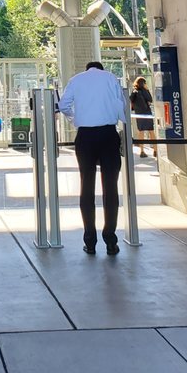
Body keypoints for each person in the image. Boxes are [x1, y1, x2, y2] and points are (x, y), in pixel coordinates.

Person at [58, 61, 127, 256]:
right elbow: (120, 103)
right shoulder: (111, 78)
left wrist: (75, 119)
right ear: (101, 68)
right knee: (110, 188)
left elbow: (63, 105)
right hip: (108, 134)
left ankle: (89, 240)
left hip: (85, 136)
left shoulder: (75, 80)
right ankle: (110, 240)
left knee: (86, 185)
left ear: (86, 68)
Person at [129, 76, 155, 157]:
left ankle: (142, 151)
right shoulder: (144, 91)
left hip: (139, 114)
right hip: (147, 113)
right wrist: (147, 90)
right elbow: (150, 99)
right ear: (143, 83)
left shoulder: (134, 91)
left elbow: (130, 101)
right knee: (151, 131)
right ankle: (155, 150)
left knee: (141, 132)